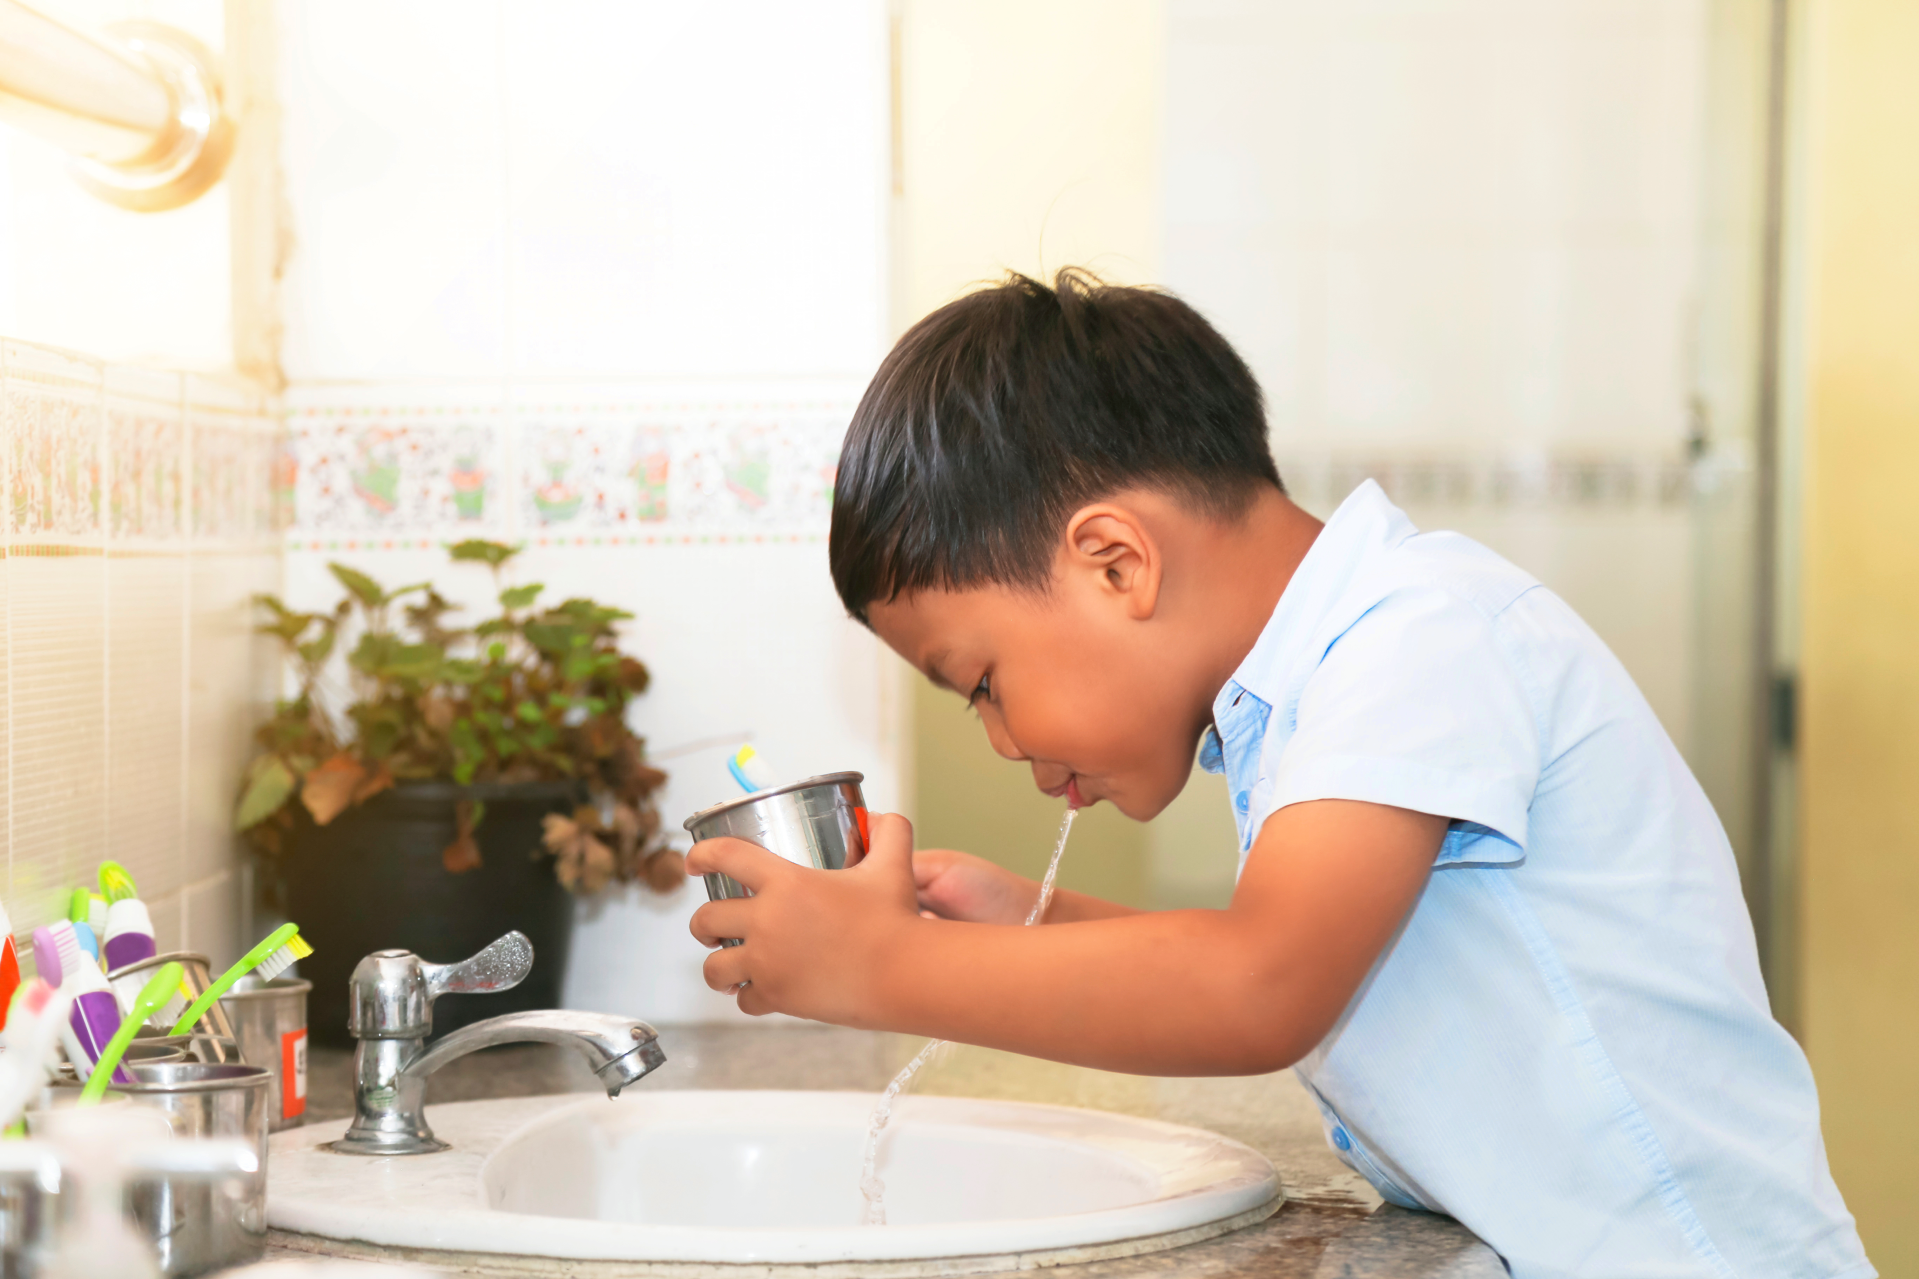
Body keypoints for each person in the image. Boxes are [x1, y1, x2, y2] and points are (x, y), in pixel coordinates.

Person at [687, 270, 1871, 1279]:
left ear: (1113, 561)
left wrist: (885, 966)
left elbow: (1261, 986)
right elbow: (1309, 954)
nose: (999, 737)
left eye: (983, 679)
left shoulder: (1421, 633)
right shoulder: (1324, 677)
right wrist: (1031, 920)